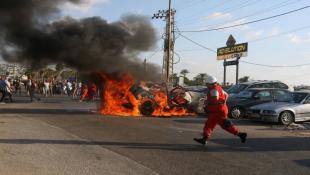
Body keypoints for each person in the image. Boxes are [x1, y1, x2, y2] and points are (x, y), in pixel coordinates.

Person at [194, 76, 247, 146]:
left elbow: (215, 99)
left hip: (217, 111)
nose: (206, 85)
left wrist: (207, 102)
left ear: (210, 83)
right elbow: (226, 95)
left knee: (211, 125)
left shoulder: (214, 90)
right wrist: (223, 103)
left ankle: (205, 139)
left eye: (207, 83)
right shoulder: (218, 88)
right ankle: (240, 134)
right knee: (222, 125)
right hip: (221, 110)